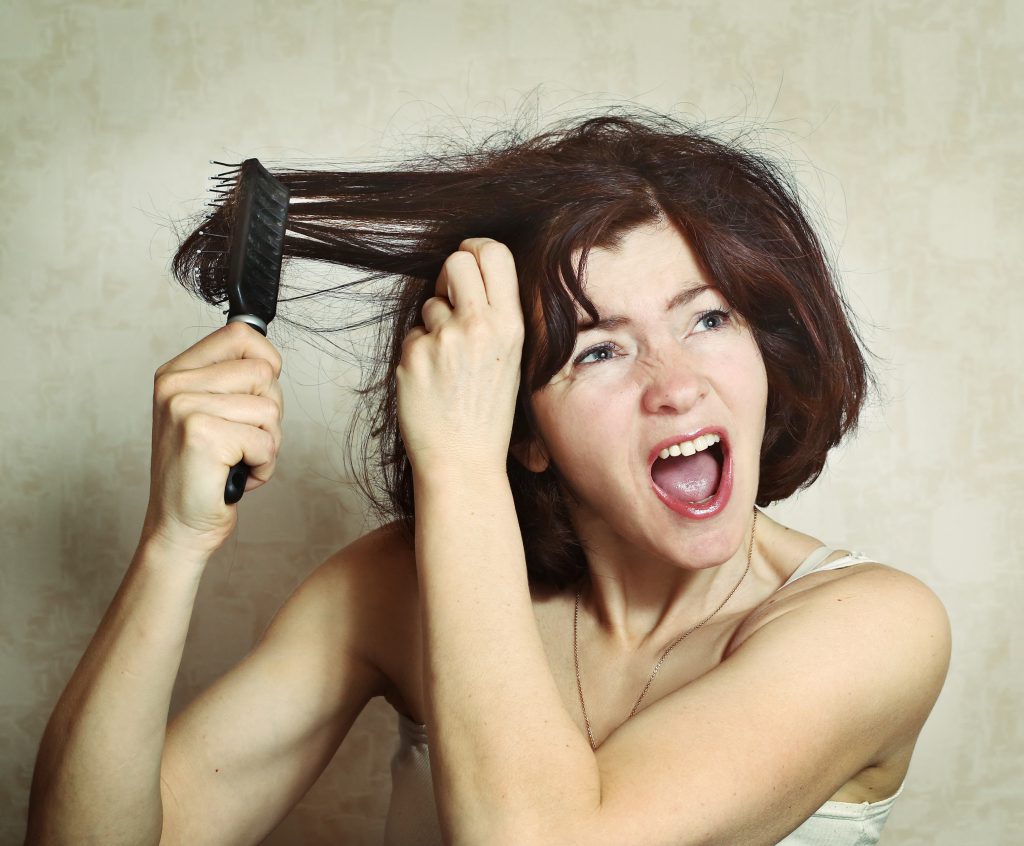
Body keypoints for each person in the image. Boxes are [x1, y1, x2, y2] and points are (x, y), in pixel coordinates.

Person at [25, 112, 950, 846]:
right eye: (597, 352)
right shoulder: (395, 591)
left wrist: (462, 465)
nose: (677, 385)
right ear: (526, 428)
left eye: (706, 320)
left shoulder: (873, 628)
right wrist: (173, 543)